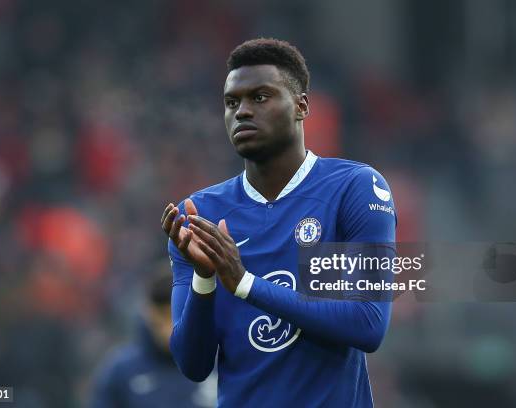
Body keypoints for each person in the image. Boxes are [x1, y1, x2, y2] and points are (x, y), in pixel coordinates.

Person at [161, 38, 397, 407]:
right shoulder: (201, 214)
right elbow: (193, 364)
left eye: (260, 97)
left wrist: (244, 283)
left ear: (301, 106)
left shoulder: (354, 189)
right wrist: (205, 280)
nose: (241, 112)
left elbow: (368, 323)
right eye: (231, 102)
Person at [90, 267, 216, 408]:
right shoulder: (121, 372)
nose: (169, 327)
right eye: (163, 316)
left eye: (176, 315)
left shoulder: (220, 363)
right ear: (148, 313)